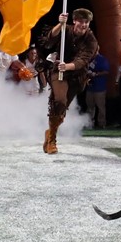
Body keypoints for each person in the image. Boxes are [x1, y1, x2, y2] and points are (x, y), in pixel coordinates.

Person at [41, 9, 99, 154]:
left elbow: (83, 60)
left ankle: (50, 132)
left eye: (86, 22)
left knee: (61, 111)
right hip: (58, 72)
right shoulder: (64, 29)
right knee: (58, 101)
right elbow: (48, 41)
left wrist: (67, 66)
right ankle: (52, 141)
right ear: (74, 21)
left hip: (76, 76)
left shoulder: (91, 40)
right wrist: (59, 24)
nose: (83, 25)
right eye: (81, 21)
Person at [85, 50, 111, 129]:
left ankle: (101, 123)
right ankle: (89, 123)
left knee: (101, 107)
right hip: (90, 87)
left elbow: (106, 71)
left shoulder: (102, 59)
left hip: (100, 87)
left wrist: (96, 74)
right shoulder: (88, 59)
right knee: (90, 106)